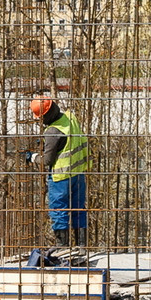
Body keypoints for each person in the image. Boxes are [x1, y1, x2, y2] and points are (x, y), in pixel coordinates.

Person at [23, 95, 92, 251]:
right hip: (78, 174)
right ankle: (82, 245)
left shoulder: (53, 131)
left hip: (61, 178)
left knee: (58, 211)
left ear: (45, 115)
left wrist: (32, 157)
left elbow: (47, 160)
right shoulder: (69, 117)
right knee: (78, 208)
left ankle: (62, 246)